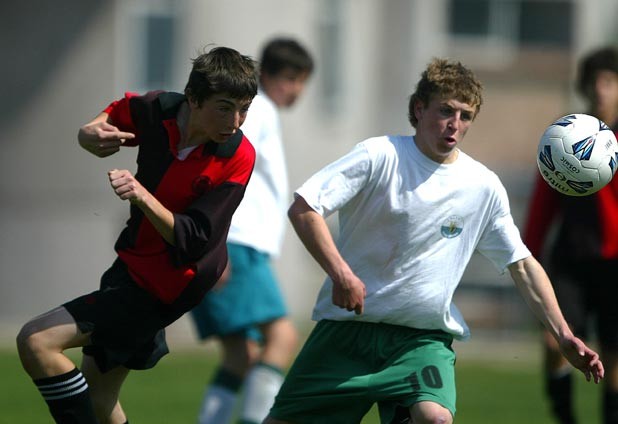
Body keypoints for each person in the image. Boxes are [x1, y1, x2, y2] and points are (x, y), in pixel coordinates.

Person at [262, 57, 605, 424]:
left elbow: (521, 264)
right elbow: (305, 208)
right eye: (445, 111)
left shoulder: (482, 186)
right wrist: (341, 274)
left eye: (465, 116)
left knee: (436, 419)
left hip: (419, 341)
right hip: (346, 335)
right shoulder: (380, 156)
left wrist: (563, 334)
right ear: (418, 108)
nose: (454, 124)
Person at [15, 46, 258, 424]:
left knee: (36, 340)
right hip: (132, 263)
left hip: (170, 283)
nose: (236, 121)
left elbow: (194, 239)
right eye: (225, 108)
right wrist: (88, 132)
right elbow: (116, 113)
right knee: (99, 397)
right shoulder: (159, 110)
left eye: (244, 109)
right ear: (193, 98)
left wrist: (142, 196)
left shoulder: (237, 155)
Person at [189, 38, 314, 424]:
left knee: (241, 355)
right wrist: (215, 245)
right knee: (283, 337)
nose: (297, 90)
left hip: (231, 244)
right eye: (294, 79)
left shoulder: (256, 112)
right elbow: (216, 169)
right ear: (274, 77)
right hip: (235, 244)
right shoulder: (257, 110)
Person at [523, 46, 618, 424]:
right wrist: (527, 251)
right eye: (594, 81)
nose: (600, 89)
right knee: (554, 341)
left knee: (614, 357)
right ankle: (564, 417)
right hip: (570, 259)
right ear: (584, 86)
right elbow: (543, 199)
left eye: (609, 81)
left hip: (614, 263)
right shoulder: (565, 136)